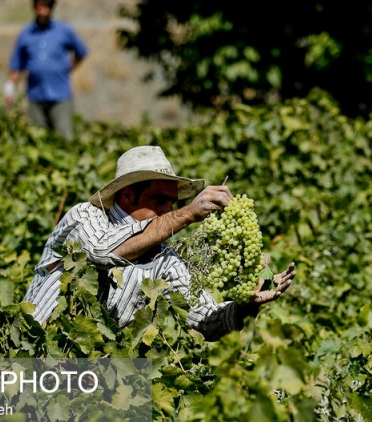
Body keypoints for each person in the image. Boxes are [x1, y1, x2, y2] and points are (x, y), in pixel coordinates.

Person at [23, 145, 297, 341]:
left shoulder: (163, 259)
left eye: (173, 203)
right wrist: (188, 213)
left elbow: (208, 321)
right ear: (128, 196)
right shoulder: (86, 216)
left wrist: (248, 305)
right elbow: (102, 252)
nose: (169, 210)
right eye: (160, 200)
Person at [4, 0, 88, 141]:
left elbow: (81, 52)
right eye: (40, 7)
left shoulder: (63, 30)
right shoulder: (26, 34)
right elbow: (16, 65)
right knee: (38, 139)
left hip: (60, 95)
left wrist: (67, 67)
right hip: (36, 95)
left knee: (64, 138)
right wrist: (9, 89)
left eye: (46, 7)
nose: (43, 12)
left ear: (52, 8)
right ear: (34, 8)